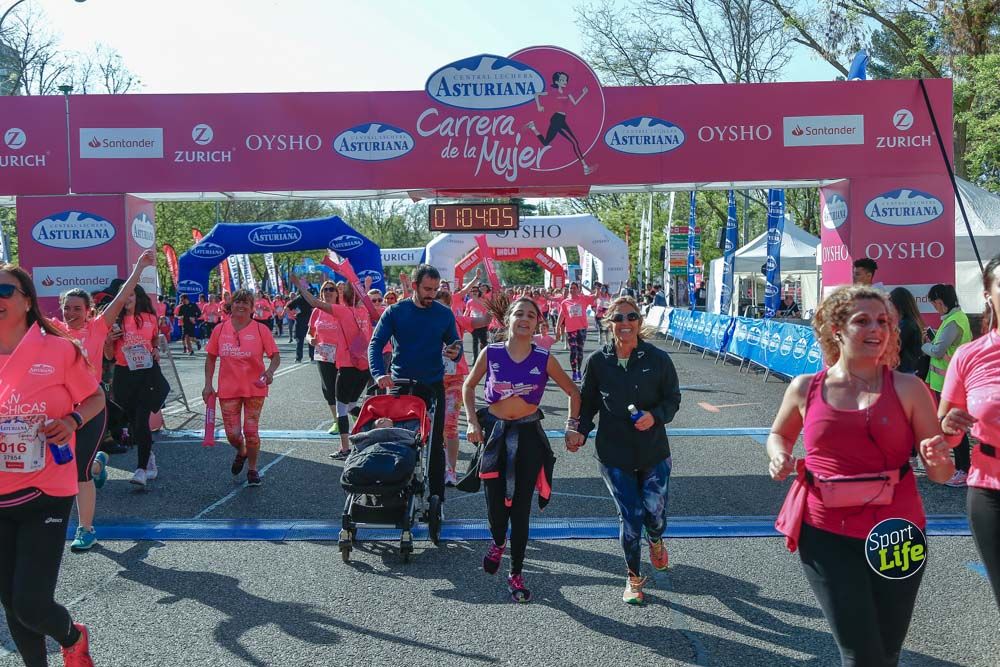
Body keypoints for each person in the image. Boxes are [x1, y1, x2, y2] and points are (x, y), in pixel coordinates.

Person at [767, 285, 954, 667]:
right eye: (863, 320)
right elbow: (779, 434)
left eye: (883, 321)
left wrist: (938, 457)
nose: (876, 329)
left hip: (896, 532)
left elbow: (940, 474)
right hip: (825, 534)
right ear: (836, 329)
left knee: (887, 650)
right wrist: (779, 456)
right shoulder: (805, 388)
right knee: (860, 653)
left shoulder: (909, 388)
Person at [0, 263, 106, 666]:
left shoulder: (59, 350)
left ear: (27, 300)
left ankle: (72, 635)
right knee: (11, 602)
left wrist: (72, 421)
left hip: (45, 489)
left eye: (4, 291)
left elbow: (95, 398)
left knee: (30, 602)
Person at [463, 297, 582, 602]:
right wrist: (472, 422)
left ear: (538, 323)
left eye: (531, 314)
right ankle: (498, 542)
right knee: (495, 508)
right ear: (508, 320)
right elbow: (468, 386)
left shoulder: (543, 358)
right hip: (495, 436)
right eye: (519, 313)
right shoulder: (491, 352)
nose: (525, 318)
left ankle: (516, 573)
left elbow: (573, 391)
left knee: (520, 510)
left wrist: (571, 426)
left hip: (528, 437)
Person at [574, 296, 681, 604]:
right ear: (609, 323)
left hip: (653, 450)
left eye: (631, 317)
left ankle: (656, 539)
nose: (625, 323)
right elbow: (587, 404)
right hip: (614, 452)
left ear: (639, 322)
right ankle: (633, 578)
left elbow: (672, 399)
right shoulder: (597, 361)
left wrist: (655, 416)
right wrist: (579, 432)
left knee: (654, 515)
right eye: (618, 318)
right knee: (631, 516)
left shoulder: (658, 359)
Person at [57, 250, 156, 552]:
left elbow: (123, 295)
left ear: (88, 311)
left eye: (77, 308)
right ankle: (99, 465)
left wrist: (139, 268)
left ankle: (86, 529)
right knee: (66, 466)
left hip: (92, 406)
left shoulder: (98, 328)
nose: (71, 313)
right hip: (60, 409)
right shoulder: (54, 331)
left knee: (79, 471)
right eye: (67, 308)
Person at [368, 265, 462, 507]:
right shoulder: (395, 311)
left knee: (435, 442)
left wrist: (455, 351)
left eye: (435, 289)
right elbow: (375, 344)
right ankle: (392, 490)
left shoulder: (443, 314)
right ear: (414, 286)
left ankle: (437, 498)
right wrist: (378, 374)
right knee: (395, 438)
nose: (432, 294)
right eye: (427, 289)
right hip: (400, 385)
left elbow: (455, 343)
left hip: (432, 386)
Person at [937, 254, 1000, 609]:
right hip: (990, 489)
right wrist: (947, 426)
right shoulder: (968, 356)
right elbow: (947, 434)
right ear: (988, 295)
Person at [296, 275, 380, 459]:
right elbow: (363, 300)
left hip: (348, 366)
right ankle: (375, 423)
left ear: (343, 296)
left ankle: (345, 449)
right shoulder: (364, 312)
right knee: (351, 405)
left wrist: (300, 287)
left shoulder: (342, 311)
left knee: (342, 408)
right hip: (364, 367)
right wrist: (364, 287)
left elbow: (314, 302)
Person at [203, 289, 280, 487]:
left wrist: (270, 372)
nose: (241, 305)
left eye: (246, 302)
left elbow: (275, 356)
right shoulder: (220, 329)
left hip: (255, 388)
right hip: (228, 389)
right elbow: (210, 358)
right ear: (232, 305)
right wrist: (208, 384)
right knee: (233, 434)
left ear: (252, 308)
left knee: (251, 431)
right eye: (238, 302)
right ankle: (242, 450)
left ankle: (252, 469)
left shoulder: (261, 330)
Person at [109, 285, 165, 488]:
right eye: (123, 295)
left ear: (137, 296)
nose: (127, 299)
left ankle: (141, 469)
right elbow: (109, 356)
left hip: (146, 374)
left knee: (141, 421)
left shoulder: (149, 318)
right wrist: (108, 341)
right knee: (133, 423)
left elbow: (155, 337)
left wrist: (156, 348)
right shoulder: (114, 321)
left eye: (130, 295)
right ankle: (148, 455)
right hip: (124, 375)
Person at [434, 291, 490, 485]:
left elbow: (484, 320)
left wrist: (489, 300)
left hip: (454, 380)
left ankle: (450, 470)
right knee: (431, 427)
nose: (439, 310)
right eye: (435, 305)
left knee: (449, 425)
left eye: (443, 306)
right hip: (430, 380)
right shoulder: (424, 322)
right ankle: (434, 466)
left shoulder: (457, 320)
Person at [924, 283, 972, 487]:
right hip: (948, 382)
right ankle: (962, 469)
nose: (935, 308)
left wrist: (924, 345)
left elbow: (937, 351)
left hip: (949, 384)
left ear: (940, 302)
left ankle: (963, 470)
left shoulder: (953, 322)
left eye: (934, 304)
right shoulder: (956, 318)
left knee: (953, 427)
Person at [525, 71, 594, 175]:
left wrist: (583, 94)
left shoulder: (567, 92)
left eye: (565, 80)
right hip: (556, 119)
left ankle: (533, 127)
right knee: (574, 142)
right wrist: (539, 106)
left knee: (546, 143)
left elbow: (575, 102)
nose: (564, 81)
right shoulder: (552, 92)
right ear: (557, 82)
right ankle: (585, 168)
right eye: (562, 80)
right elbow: (536, 94)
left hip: (561, 119)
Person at [555, 281, 597, 382]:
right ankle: (574, 372)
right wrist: (557, 328)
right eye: (571, 288)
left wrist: (597, 288)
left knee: (580, 351)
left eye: (574, 288)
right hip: (571, 329)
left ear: (578, 289)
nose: (572, 290)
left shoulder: (583, 299)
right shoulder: (565, 302)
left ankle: (579, 370)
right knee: (573, 351)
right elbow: (561, 316)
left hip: (582, 329)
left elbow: (596, 295)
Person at [888, 287, 926, 376]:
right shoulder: (909, 322)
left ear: (898, 305)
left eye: (890, 305)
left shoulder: (906, 324)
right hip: (908, 370)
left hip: (905, 371)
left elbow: (893, 347)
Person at [286, 289, 315, 363]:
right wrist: (293, 315)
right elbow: (287, 307)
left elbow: (316, 308)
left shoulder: (309, 299)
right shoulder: (299, 299)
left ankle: (310, 357)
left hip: (308, 322)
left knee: (309, 340)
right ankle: (300, 358)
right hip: (302, 322)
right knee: (300, 340)